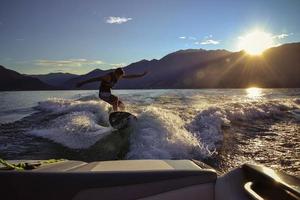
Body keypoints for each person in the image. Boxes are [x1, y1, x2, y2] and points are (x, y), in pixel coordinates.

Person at [76, 68, 148, 111]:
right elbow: (94, 79)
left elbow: (130, 76)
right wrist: (82, 83)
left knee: (122, 105)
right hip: (103, 93)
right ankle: (115, 114)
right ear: (116, 73)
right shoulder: (108, 76)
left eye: (121, 76)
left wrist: (141, 75)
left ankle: (122, 116)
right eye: (119, 76)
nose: (120, 77)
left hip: (108, 94)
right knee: (115, 99)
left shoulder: (118, 76)